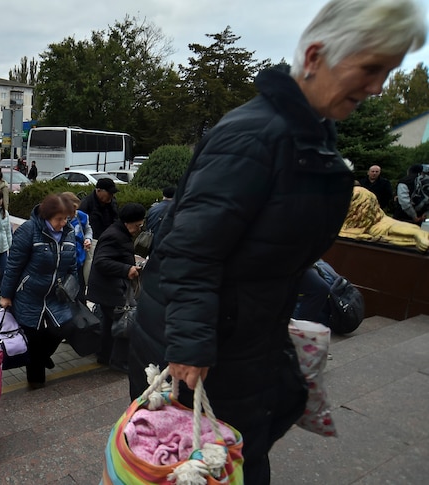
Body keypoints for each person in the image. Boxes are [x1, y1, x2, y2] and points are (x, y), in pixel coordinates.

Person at [128, 2, 426, 483]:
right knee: (207, 465)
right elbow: (189, 248)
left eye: (387, 73)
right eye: (370, 69)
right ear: (313, 56)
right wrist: (190, 344)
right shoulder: (254, 135)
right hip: (202, 350)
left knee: (237, 461)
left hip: (243, 338)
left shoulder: (307, 135)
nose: (376, 87)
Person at [0, 194, 76, 389]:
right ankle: (36, 381)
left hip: (56, 294)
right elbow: (14, 265)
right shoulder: (29, 230)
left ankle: (42, 358)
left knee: (63, 327)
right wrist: (6, 295)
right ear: (47, 216)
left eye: (66, 218)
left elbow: (72, 265)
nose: (63, 223)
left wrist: (73, 288)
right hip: (29, 294)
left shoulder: (68, 232)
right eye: (59, 219)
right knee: (33, 337)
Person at [86, 203, 146, 371]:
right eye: (137, 225)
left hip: (109, 287)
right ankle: (119, 362)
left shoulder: (120, 232)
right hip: (110, 289)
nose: (138, 229)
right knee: (124, 325)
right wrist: (127, 269)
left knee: (109, 324)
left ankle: (105, 356)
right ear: (128, 222)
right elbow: (101, 261)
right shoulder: (115, 235)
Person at [62, 191, 93, 282]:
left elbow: (88, 229)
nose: (73, 213)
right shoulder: (59, 219)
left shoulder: (82, 216)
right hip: (65, 258)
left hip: (79, 257)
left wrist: (88, 239)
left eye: (75, 210)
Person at [145, 186, 175, 253]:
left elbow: (147, 225)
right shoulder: (176, 210)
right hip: (167, 245)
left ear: (163, 194)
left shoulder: (153, 209)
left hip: (151, 243)